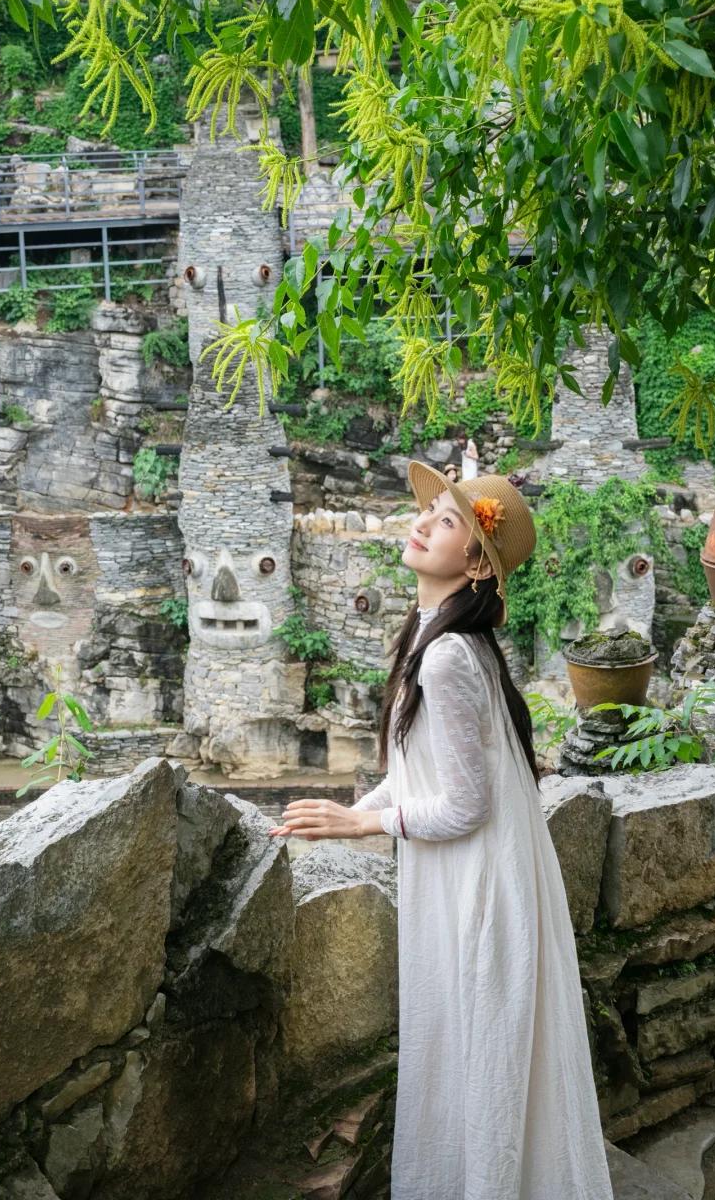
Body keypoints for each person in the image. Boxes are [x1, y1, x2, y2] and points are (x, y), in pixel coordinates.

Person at [271, 463, 613, 1200]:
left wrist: (362, 821)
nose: (422, 522)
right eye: (427, 511)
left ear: (477, 564)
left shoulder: (452, 654)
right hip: (474, 876)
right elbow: (420, 768)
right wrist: (354, 809)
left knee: (480, 1057)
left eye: (447, 519)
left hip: (479, 887)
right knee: (475, 1058)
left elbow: (464, 805)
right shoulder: (440, 637)